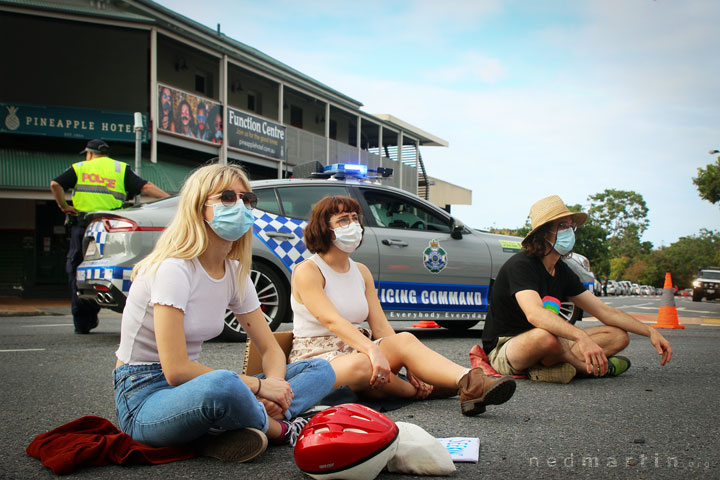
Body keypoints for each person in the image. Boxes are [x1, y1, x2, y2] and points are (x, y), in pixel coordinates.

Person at [113, 163, 336, 462]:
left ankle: (231, 425)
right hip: (143, 398)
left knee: (320, 368)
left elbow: (270, 348)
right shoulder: (173, 268)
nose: (240, 205)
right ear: (198, 207)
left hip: (193, 391)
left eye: (247, 199)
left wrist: (275, 387)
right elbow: (176, 369)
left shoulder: (234, 272)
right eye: (227, 197)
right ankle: (282, 430)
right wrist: (258, 386)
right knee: (223, 383)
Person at [288, 195, 516, 417]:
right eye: (343, 220)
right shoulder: (308, 270)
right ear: (323, 228)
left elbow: (381, 327)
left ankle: (471, 381)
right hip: (318, 359)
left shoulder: (361, 271)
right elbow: (331, 320)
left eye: (355, 218)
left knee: (404, 339)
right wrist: (373, 350)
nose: (353, 225)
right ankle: (424, 390)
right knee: (363, 366)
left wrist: (410, 363)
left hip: (360, 350)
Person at [481, 195, 672, 384]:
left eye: (571, 226)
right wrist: (581, 337)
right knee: (545, 337)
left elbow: (604, 311)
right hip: (507, 347)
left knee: (618, 336)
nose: (570, 232)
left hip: (552, 345)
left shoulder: (562, 270)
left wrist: (649, 332)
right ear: (544, 233)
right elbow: (535, 315)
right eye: (562, 226)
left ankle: (552, 367)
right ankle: (587, 369)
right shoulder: (521, 265)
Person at [50, 139, 169, 334]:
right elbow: (146, 187)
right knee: (103, 271)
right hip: (112, 226)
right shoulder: (119, 168)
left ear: (89, 154)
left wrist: (64, 206)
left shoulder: (80, 168)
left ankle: (83, 322)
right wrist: (171, 201)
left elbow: (55, 184)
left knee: (78, 270)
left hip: (84, 225)